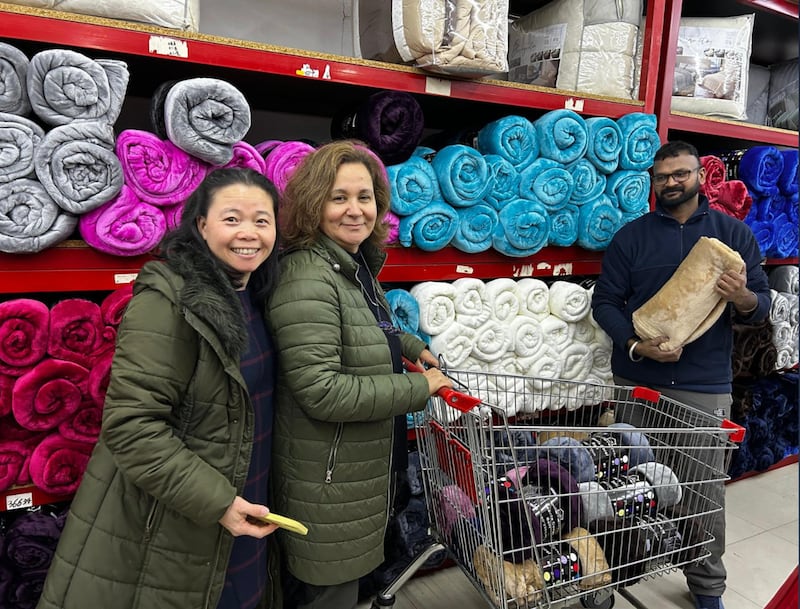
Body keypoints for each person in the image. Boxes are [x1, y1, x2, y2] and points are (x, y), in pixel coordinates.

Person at [37, 168, 284, 609]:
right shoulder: (169, 302)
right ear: (201, 225)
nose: (249, 233)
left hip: (245, 511)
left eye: (262, 221)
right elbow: (131, 427)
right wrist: (219, 502)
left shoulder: (259, 298)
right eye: (231, 219)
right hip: (177, 523)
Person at [266, 139, 453, 609]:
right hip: (327, 480)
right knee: (330, 593)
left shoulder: (350, 265)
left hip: (352, 472)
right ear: (314, 204)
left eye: (364, 197)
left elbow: (373, 326)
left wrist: (414, 348)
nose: (355, 210)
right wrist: (418, 388)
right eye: (339, 197)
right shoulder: (307, 275)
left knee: (345, 589)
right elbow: (321, 391)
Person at [591, 141, 770, 609]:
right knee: (623, 485)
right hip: (638, 382)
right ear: (652, 182)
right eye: (662, 176)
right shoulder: (631, 237)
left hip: (703, 385)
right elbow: (605, 302)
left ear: (699, 177)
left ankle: (706, 587)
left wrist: (742, 297)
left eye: (681, 173)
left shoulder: (733, 237)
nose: (671, 182)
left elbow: (761, 308)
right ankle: (610, 575)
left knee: (702, 491)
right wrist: (635, 344)